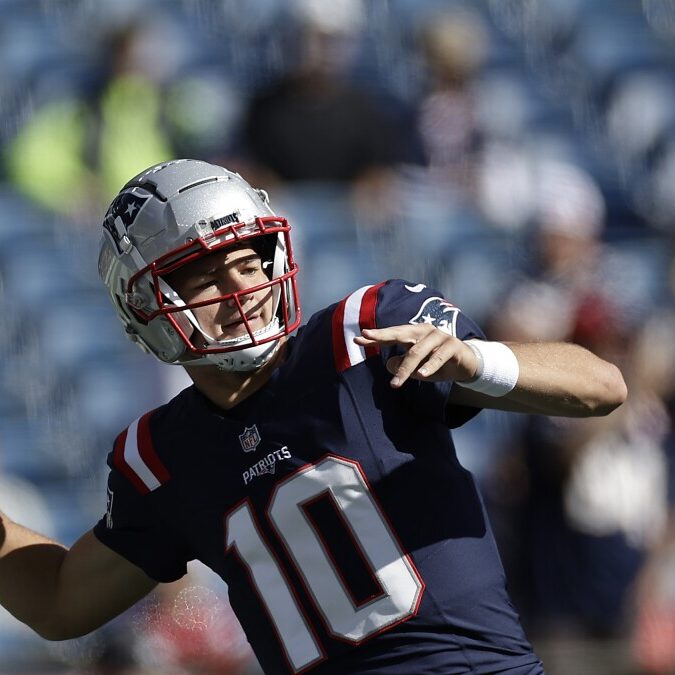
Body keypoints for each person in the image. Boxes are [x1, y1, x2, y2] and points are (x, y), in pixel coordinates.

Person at [0, 159, 627, 674]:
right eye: (205, 277)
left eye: (248, 262)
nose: (240, 288)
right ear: (144, 304)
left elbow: (601, 386)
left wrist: (477, 360)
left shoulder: (364, 336)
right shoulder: (163, 455)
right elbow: (60, 602)